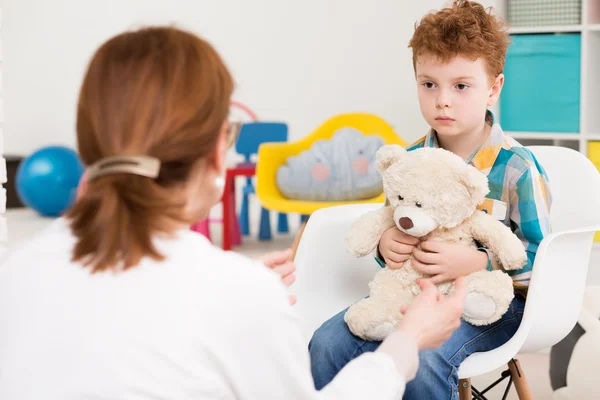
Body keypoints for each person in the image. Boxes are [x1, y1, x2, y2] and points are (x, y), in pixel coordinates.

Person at [0, 26, 467, 400]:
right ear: (213, 154)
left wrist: (236, 283)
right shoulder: (233, 293)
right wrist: (407, 340)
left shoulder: (18, 269)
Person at [308, 1, 553, 399]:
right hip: (412, 296)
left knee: (422, 359)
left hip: (490, 306)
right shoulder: (408, 162)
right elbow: (392, 226)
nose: (442, 100)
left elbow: (542, 260)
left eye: (460, 85)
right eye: (429, 84)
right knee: (327, 343)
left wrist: (480, 260)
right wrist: (386, 247)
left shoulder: (516, 168)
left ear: (493, 88)